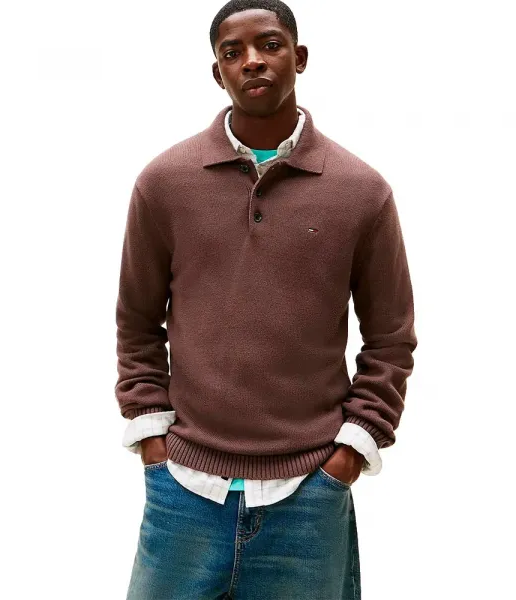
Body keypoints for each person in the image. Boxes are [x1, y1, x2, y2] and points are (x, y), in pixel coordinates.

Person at [115, 1, 417, 598]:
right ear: (218, 72)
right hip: (183, 488)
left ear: (299, 58)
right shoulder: (164, 182)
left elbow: (390, 338)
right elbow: (137, 322)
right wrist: (151, 438)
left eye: (270, 45)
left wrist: (352, 451)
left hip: (309, 493)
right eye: (233, 52)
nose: (252, 60)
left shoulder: (362, 191)